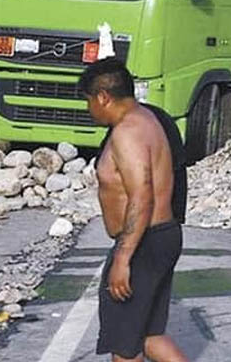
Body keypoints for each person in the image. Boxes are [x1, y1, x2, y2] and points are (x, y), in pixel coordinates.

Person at [79, 59, 188, 362]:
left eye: (88, 101)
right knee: (149, 336)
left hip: (144, 243)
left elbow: (142, 196)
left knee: (125, 347)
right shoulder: (149, 119)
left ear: (103, 97)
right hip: (160, 236)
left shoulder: (128, 132)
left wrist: (122, 259)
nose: (89, 110)